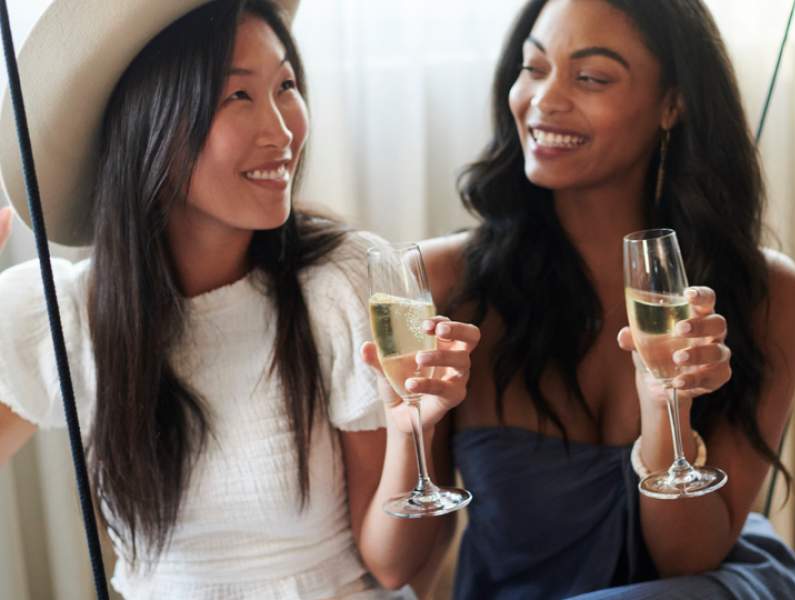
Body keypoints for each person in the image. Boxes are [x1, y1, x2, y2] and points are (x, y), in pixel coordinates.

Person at [0, 1, 479, 598]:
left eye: (285, 86)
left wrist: (414, 432)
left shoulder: (339, 282)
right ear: (151, 124)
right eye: (238, 97)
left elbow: (391, 565)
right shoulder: (64, 314)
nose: (281, 131)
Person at [412, 0, 795, 597]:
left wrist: (663, 404)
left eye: (590, 77)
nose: (545, 101)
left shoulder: (768, 296)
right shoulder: (445, 284)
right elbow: (401, 560)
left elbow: (684, 560)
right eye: (534, 68)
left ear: (673, 102)